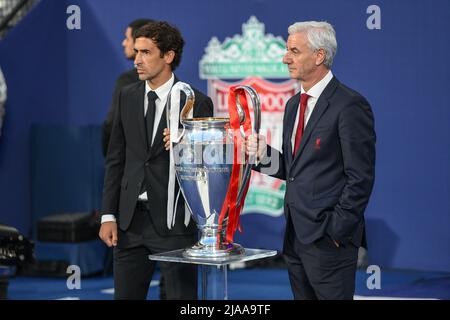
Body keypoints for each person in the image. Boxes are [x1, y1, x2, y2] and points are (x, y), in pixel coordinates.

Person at [247, 21, 376, 300]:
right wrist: (262, 155)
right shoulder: (294, 105)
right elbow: (293, 170)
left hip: (330, 241)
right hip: (295, 237)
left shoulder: (350, 105)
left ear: (319, 56)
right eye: (286, 49)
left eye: (294, 50)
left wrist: (336, 231)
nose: (285, 58)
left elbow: (360, 178)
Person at [99, 21, 214, 300]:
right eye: (136, 51)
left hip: (174, 225)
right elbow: (116, 159)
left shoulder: (196, 102)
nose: (137, 60)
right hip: (129, 223)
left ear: (169, 56)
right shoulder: (127, 96)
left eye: (146, 52)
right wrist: (108, 215)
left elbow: (208, 167)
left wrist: (185, 144)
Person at [102, 18, 154, 156]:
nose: (123, 42)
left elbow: (113, 124)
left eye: (127, 38)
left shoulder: (127, 81)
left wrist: (111, 157)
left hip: (127, 163)